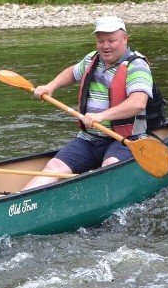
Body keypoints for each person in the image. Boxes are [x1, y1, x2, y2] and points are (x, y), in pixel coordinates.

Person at [22, 16, 155, 190]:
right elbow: (72, 73)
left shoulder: (136, 66)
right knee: (54, 168)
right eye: (100, 41)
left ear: (125, 39)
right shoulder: (92, 59)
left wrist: (101, 116)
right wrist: (51, 86)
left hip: (126, 140)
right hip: (90, 138)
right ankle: (17, 202)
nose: (105, 46)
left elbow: (138, 103)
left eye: (111, 40)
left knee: (110, 167)